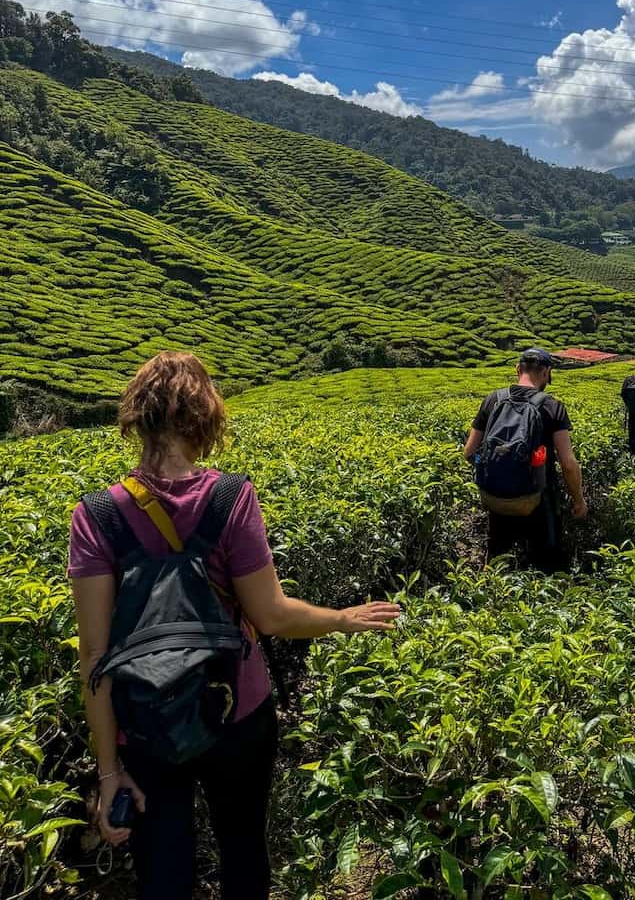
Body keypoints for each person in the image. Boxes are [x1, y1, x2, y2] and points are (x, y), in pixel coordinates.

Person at [68, 351, 401, 900]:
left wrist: (108, 771)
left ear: (137, 419)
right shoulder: (230, 497)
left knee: (162, 871)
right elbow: (270, 615)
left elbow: (94, 655)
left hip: (146, 721)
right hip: (236, 708)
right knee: (243, 848)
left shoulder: (96, 515)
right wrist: (343, 619)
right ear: (205, 417)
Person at [463, 347, 586, 572]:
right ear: (547, 373)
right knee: (547, 566)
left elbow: (469, 452)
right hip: (538, 499)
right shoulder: (552, 407)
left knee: (497, 564)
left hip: (496, 498)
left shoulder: (492, 400)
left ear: (517, 369)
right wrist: (578, 500)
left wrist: (496, 469)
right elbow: (568, 464)